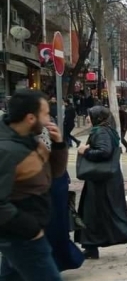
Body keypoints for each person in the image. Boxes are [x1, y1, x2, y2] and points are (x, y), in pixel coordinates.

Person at [0, 89, 68, 280]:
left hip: (27, 232)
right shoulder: (6, 150)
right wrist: (31, 229)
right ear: (31, 118)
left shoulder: (34, 138)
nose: (49, 119)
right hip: (22, 236)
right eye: (46, 114)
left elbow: (55, 173)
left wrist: (59, 145)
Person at [75, 106, 127, 259]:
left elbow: (104, 152)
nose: (87, 118)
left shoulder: (101, 131)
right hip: (102, 180)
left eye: (90, 115)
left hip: (102, 182)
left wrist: (85, 151)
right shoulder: (106, 129)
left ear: (98, 117)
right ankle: (90, 247)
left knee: (106, 214)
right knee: (94, 214)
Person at [40, 116, 85, 272]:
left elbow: (57, 168)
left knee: (56, 228)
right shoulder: (22, 140)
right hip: (44, 192)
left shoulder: (47, 133)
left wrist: (59, 142)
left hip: (55, 188)